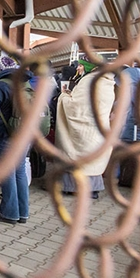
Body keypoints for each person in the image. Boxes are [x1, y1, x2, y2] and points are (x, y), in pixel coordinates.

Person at [55, 58, 114, 199]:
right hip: (98, 130)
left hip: (84, 129)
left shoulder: (89, 81)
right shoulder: (107, 82)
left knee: (76, 156)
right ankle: (92, 189)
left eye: (81, 65)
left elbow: (76, 107)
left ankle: (73, 187)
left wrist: (64, 96)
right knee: (91, 160)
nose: (78, 68)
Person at [0, 56, 31, 224]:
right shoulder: (25, 81)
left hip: (6, 134)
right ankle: (23, 212)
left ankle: (9, 213)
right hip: (25, 133)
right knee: (20, 172)